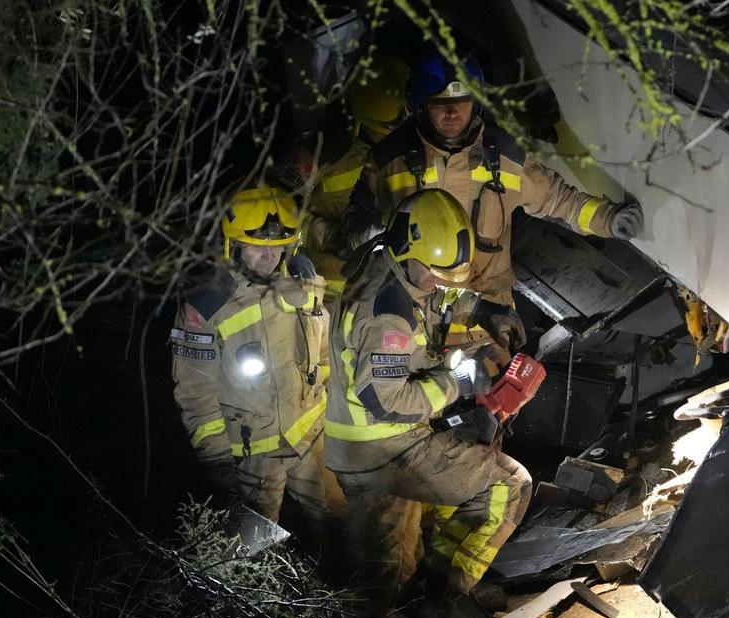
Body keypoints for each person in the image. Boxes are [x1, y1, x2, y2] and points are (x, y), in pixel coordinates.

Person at [324, 188, 532, 618]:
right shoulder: (385, 317)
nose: (440, 283)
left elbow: (437, 297)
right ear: (407, 248)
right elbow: (388, 401)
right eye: (434, 274)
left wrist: (482, 307)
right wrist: (457, 383)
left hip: (377, 440)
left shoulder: (393, 261)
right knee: (509, 486)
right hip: (379, 449)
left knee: (398, 560)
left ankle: (426, 603)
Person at [343, 52, 646, 351]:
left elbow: (559, 200)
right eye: (441, 104)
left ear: (476, 103)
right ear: (421, 106)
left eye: (461, 102)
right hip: (415, 324)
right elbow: (354, 226)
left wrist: (608, 218)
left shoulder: (504, 157)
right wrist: (375, 235)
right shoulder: (388, 161)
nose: (452, 113)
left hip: (490, 327)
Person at [170, 186, 344, 561]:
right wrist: (218, 463)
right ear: (232, 244)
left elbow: (323, 352)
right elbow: (195, 396)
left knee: (340, 528)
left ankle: (342, 607)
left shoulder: (303, 284)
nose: (268, 256)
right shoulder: (207, 305)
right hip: (251, 456)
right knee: (249, 558)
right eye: (257, 246)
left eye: (278, 246)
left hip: (311, 438)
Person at [273, 55, 410, 291]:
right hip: (329, 284)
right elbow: (277, 209)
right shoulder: (326, 149)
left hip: (388, 285)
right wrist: (331, 236)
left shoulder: (409, 150)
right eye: (381, 133)